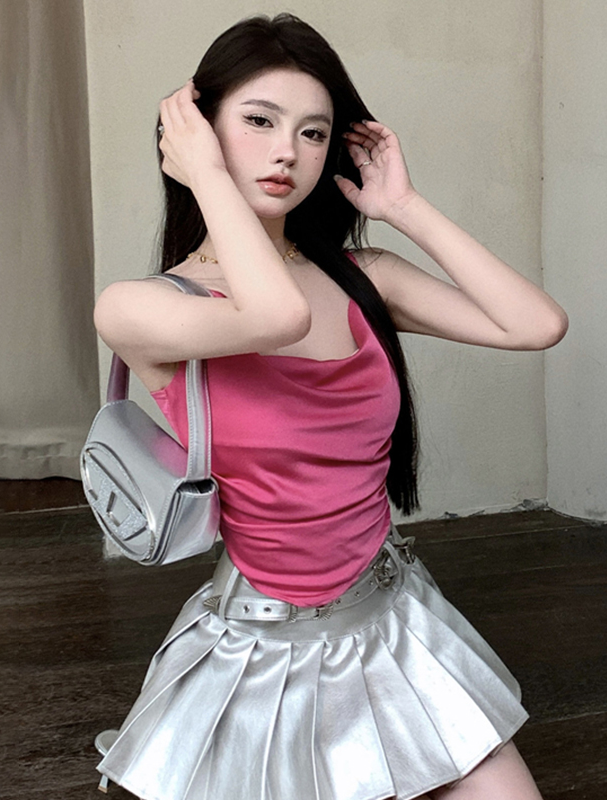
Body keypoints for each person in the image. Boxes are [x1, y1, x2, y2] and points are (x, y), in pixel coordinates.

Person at [92, 13, 567, 800]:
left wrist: (404, 206)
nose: (287, 151)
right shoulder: (139, 307)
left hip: (391, 621)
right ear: (196, 132)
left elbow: (536, 325)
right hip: (258, 651)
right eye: (258, 121)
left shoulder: (361, 276)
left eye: (313, 133)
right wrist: (207, 180)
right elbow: (275, 317)